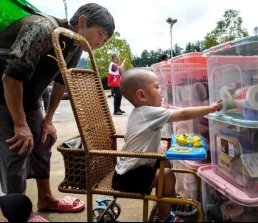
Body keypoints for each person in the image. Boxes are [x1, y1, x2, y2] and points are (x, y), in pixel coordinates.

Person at [0, 2, 115, 220]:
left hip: (30, 96)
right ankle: (17, 213)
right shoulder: (43, 29)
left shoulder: (73, 45)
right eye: (100, 33)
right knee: (18, 147)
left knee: (44, 141)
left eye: (105, 39)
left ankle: (46, 198)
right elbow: (10, 77)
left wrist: (49, 120)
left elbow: (61, 83)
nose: (100, 42)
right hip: (4, 94)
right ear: (81, 22)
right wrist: (20, 123)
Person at [112, 68, 223, 222]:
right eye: (157, 87)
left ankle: (172, 203)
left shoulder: (141, 112)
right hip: (128, 177)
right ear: (141, 95)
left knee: (166, 162)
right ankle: (164, 216)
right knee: (167, 174)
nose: (161, 90)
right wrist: (211, 108)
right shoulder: (148, 113)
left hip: (135, 167)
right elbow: (183, 114)